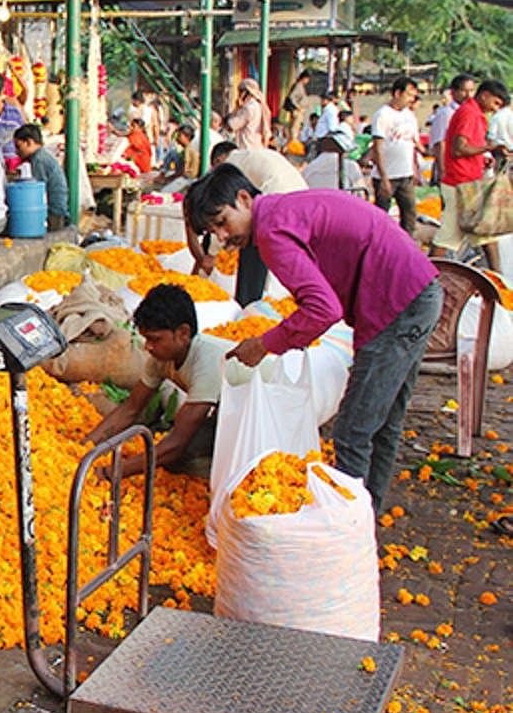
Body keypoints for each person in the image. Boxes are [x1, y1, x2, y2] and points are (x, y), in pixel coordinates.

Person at [187, 165, 443, 514]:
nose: (222, 236)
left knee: (354, 429)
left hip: (395, 302)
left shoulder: (273, 230)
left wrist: (264, 345)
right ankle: (365, 518)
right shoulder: (281, 212)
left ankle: (342, 525)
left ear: (244, 199)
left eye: (221, 222)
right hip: (416, 291)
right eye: (212, 230)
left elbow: (323, 309)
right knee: (383, 421)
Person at [84, 283, 229, 480]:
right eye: (146, 339)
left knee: (182, 459)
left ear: (183, 333)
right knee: (173, 453)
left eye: (155, 339)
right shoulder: (160, 360)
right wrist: (86, 448)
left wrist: (111, 472)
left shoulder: (207, 361)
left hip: (266, 416)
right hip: (228, 415)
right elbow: (131, 408)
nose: (148, 347)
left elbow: (177, 444)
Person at [184, 142, 307, 307]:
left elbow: (222, 227)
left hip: (279, 207)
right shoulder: (249, 157)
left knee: (253, 256)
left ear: (219, 160)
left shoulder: (229, 169)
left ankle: (248, 308)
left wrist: (205, 261)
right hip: (297, 204)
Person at [434, 79, 511, 267]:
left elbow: (467, 148)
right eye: (495, 103)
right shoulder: (469, 113)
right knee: (448, 238)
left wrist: (482, 156)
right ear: (484, 96)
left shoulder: (475, 113)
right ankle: (427, 277)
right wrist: (490, 147)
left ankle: (498, 282)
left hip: (469, 181)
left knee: (485, 234)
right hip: (460, 183)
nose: (495, 109)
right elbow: (458, 149)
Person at [369, 75, 422, 234]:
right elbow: (377, 147)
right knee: (381, 217)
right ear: (397, 93)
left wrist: (415, 169)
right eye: (408, 95)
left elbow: (412, 145)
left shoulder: (409, 116)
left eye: (413, 96)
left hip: (405, 174)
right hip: (387, 175)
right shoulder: (383, 115)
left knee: (409, 215)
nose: (411, 100)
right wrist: (384, 177)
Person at [11, 124, 69, 230]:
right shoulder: (42, 156)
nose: (16, 152)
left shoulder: (38, 160)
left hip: (53, 212)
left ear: (29, 142)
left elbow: (38, 192)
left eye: (18, 147)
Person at [428, 73, 476, 184]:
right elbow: (439, 143)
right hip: (450, 171)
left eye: (471, 91)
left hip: (466, 171)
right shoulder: (446, 114)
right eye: (464, 91)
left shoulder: (472, 112)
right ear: (453, 92)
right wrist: (442, 170)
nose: (468, 95)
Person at [225, 77, 267, 150]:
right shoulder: (258, 106)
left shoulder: (248, 108)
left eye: (241, 92)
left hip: (247, 147)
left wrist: (236, 108)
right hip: (257, 146)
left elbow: (230, 126)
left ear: (246, 92)